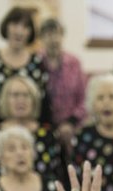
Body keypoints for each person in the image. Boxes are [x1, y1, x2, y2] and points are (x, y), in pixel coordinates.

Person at [0, 7, 51, 132]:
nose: (19, 31)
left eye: (25, 27)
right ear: (6, 27)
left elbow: (43, 106)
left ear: (30, 32)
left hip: (28, 135)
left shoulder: (37, 63)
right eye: (15, 24)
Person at [0, 75, 64, 185]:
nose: (21, 100)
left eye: (26, 95)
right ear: (5, 100)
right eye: (15, 95)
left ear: (34, 100)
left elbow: (58, 174)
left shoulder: (48, 134)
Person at [38, 18, 86, 149]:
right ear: (41, 38)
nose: (53, 39)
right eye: (48, 35)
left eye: (57, 34)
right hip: (43, 126)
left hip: (72, 127)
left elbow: (84, 99)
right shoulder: (35, 63)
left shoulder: (74, 62)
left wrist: (70, 123)